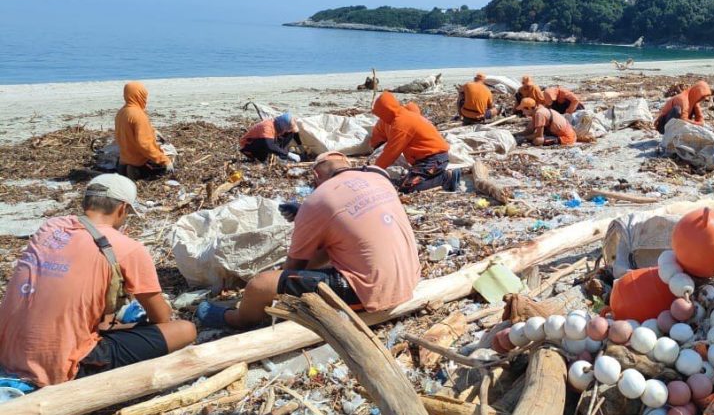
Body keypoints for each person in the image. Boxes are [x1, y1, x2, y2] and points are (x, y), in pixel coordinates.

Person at [0, 175, 195, 386]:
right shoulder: (127, 248)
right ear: (122, 209)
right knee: (185, 330)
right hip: (61, 367)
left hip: (8, 353)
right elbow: (162, 317)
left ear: (86, 203)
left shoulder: (49, 229)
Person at [197, 152, 421, 330]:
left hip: (371, 293)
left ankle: (237, 320)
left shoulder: (317, 200)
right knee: (331, 244)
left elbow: (294, 267)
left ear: (316, 177)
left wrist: (277, 277)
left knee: (260, 285)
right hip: (410, 277)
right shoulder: (378, 178)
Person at [372, 91, 461, 192]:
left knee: (408, 187)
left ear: (386, 111)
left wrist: (374, 170)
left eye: (381, 115)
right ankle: (439, 175)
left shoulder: (401, 122)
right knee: (404, 181)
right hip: (430, 159)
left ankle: (446, 178)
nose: (381, 119)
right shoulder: (404, 115)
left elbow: (391, 153)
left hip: (433, 159)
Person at [114, 81, 172, 180]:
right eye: (144, 95)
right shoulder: (139, 115)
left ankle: (127, 168)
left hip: (124, 160)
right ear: (139, 95)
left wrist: (152, 131)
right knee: (170, 159)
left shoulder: (121, 113)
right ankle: (136, 171)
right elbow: (145, 144)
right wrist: (164, 160)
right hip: (138, 161)